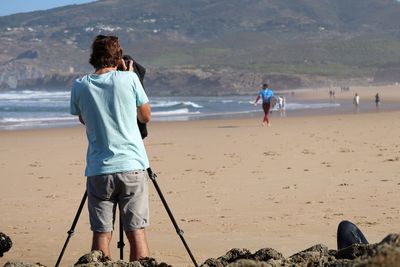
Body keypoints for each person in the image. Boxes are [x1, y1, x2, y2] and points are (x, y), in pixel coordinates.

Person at [70, 35, 151, 261]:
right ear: (118, 56)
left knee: (101, 233)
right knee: (136, 231)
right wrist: (128, 76)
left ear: (93, 57)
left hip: (99, 169)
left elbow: (84, 119)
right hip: (132, 165)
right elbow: (145, 116)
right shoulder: (130, 79)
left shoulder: (79, 85)